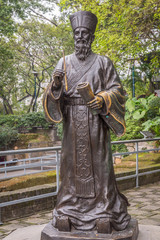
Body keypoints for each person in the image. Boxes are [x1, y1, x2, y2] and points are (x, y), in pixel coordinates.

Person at [43, 11, 131, 233]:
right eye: (77, 33)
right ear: (74, 37)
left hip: (95, 125)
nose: (80, 37)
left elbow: (118, 90)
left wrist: (102, 98)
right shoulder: (63, 62)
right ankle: (68, 210)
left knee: (100, 167)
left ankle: (104, 210)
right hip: (72, 125)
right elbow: (54, 97)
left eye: (85, 33)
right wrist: (55, 86)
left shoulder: (103, 62)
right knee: (70, 169)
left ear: (91, 37)